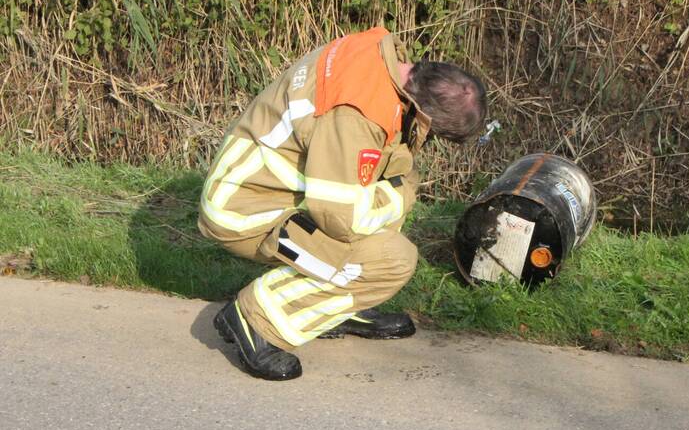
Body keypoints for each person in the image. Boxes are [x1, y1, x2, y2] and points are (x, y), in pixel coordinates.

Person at [197, 27, 487, 380]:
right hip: (246, 211)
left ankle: (336, 305)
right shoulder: (356, 116)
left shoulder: (378, 54)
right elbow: (341, 218)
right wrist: (401, 195)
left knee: (391, 177)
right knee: (393, 260)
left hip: (255, 190)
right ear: (424, 111)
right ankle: (256, 319)